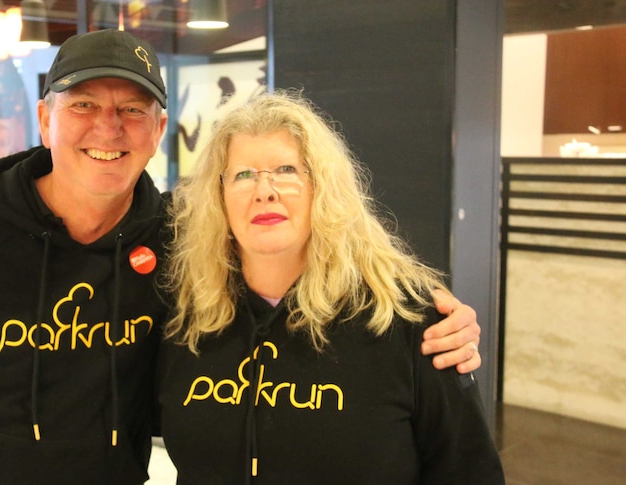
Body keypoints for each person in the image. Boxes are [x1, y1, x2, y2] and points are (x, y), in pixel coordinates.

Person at [0, 30, 482, 484]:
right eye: (83, 106)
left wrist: (433, 313)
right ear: (45, 119)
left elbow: (299, 253)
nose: (109, 127)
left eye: (132, 111)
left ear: (157, 132)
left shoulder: (180, 242)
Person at [157, 90, 504, 483]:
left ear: (323, 187)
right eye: (243, 174)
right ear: (216, 197)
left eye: (286, 170)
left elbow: (471, 473)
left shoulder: (409, 321)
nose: (264, 190)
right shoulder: (187, 315)